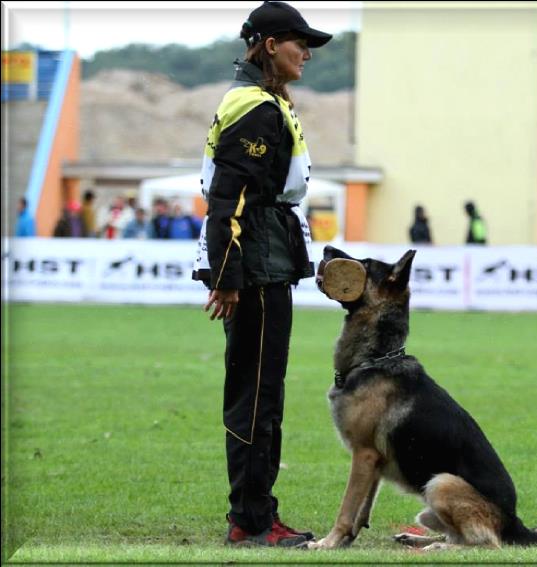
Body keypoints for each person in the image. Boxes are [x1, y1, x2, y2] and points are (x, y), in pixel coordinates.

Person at [191, 0, 331, 548]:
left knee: (258, 393)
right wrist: (226, 275)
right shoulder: (257, 108)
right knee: (256, 396)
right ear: (270, 45)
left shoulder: (260, 100)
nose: (308, 55)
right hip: (255, 267)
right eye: (301, 44)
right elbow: (229, 196)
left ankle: (255, 514)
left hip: (263, 259)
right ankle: (251, 521)